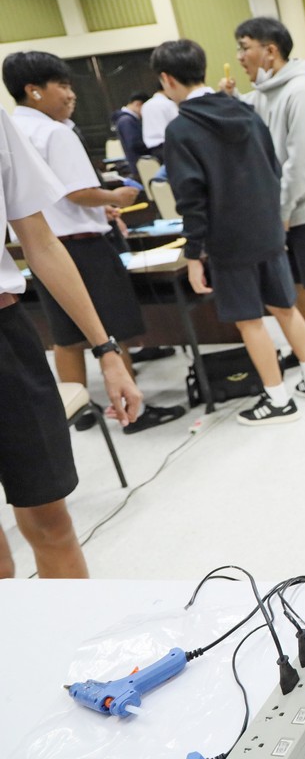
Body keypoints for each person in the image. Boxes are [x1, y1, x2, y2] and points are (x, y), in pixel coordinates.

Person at [3, 51, 184, 433]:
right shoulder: (55, 131)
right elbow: (77, 191)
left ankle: (81, 412)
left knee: (65, 336)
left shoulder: (16, 126)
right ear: (33, 90)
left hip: (43, 248)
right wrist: (114, 197)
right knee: (109, 333)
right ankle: (133, 412)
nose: (71, 94)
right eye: (63, 85)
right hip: (80, 247)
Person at [152, 40, 305, 425]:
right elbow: (273, 166)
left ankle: (278, 399)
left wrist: (194, 254)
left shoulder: (181, 129)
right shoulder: (244, 111)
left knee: (250, 320)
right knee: (285, 307)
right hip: (267, 230)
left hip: (227, 240)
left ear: (167, 79)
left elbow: (191, 197)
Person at [0, 107, 143, 580]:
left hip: (5, 339)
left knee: (50, 522)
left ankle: (69, 628)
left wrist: (107, 351)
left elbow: (41, 242)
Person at [225, 17, 305, 339]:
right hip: (285, 208)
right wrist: (232, 98)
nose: (239, 57)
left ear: (270, 51)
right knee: (300, 283)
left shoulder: (302, 92)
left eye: (245, 48)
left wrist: (283, 210)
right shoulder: (266, 90)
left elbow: (301, 165)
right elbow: (252, 112)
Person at [110, 91, 149, 174]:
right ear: (138, 104)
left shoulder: (126, 119)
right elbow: (134, 144)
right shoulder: (127, 120)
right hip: (140, 166)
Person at [139, 82, 178, 164]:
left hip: (153, 150)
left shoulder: (145, 105)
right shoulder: (168, 104)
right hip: (169, 146)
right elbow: (177, 124)